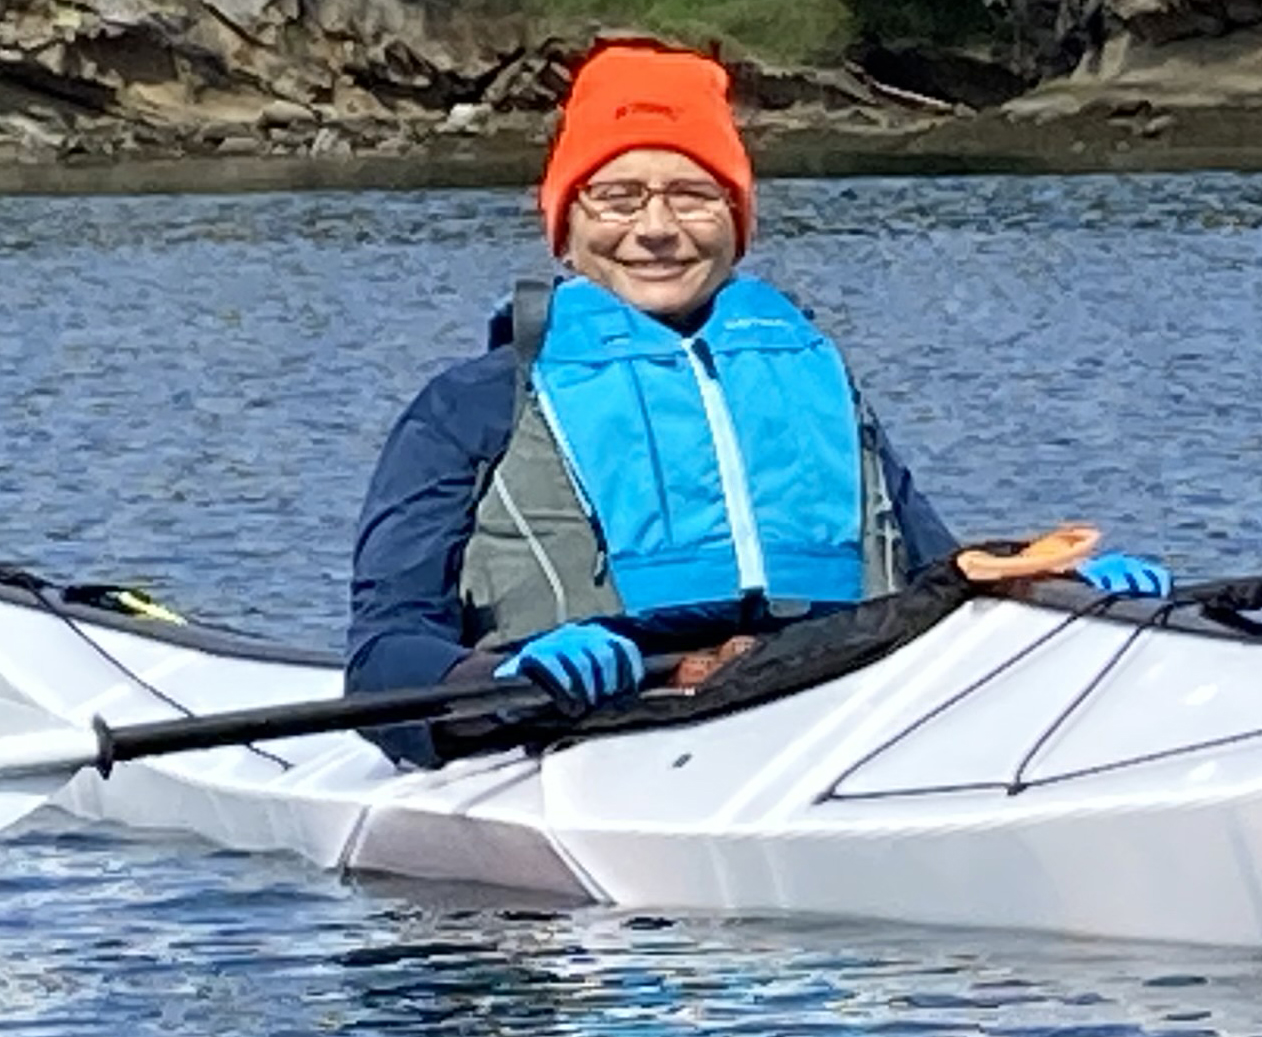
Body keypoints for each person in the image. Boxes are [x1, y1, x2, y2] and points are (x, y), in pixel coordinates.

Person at [344, 41, 1170, 768]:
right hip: (593, 727)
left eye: (693, 195)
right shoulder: (467, 408)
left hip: (832, 702)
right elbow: (382, 656)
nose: (658, 227)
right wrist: (497, 679)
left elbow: (928, 579)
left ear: (738, 223)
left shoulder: (814, 378)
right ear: (563, 229)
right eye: (619, 197)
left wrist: (1046, 588)